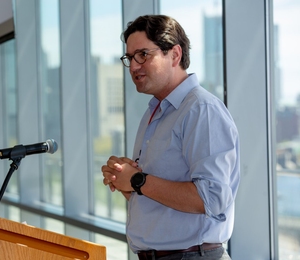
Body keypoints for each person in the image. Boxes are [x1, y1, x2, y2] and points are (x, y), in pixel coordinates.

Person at [101, 15, 240, 260]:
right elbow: (157, 193)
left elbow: (212, 198)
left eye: (143, 54)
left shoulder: (200, 110)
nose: (133, 66)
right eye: (130, 58)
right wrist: (126, 180)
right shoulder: (155, 111)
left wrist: (137, 181)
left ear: (174, 55)